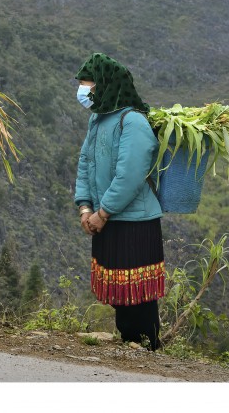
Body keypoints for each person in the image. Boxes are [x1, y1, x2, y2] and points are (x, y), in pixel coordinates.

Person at [73, 52, 165, 350]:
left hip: (135, 221)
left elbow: (130, 174)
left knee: (139, 290)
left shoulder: (133, 121)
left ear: (105, 85)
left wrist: (103, 211)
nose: (84, 91)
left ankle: (148, 345)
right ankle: (129, 341)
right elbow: (85, 162)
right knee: (120, 287)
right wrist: (85, 207)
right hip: (106, 217)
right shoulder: (98, 120)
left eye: (88, 85)